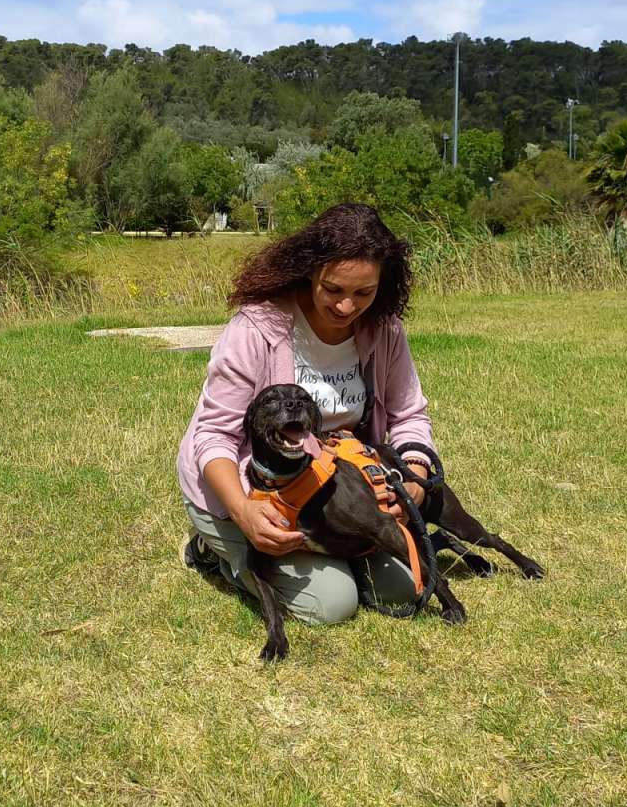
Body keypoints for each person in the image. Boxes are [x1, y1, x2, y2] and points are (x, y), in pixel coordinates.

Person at [177, 202, 437, 628]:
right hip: (247, 490)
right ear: (309, 270)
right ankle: (216, 550)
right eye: (333, 289)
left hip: (332, 491)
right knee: (332, 604)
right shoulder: (256, 328)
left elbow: (410, 416)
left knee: (404, 589)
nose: (346, 307)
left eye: (363, 293)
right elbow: (214, 435)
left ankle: (336, 553)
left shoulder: (384, 329)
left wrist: (413, 481)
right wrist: (244, 510)